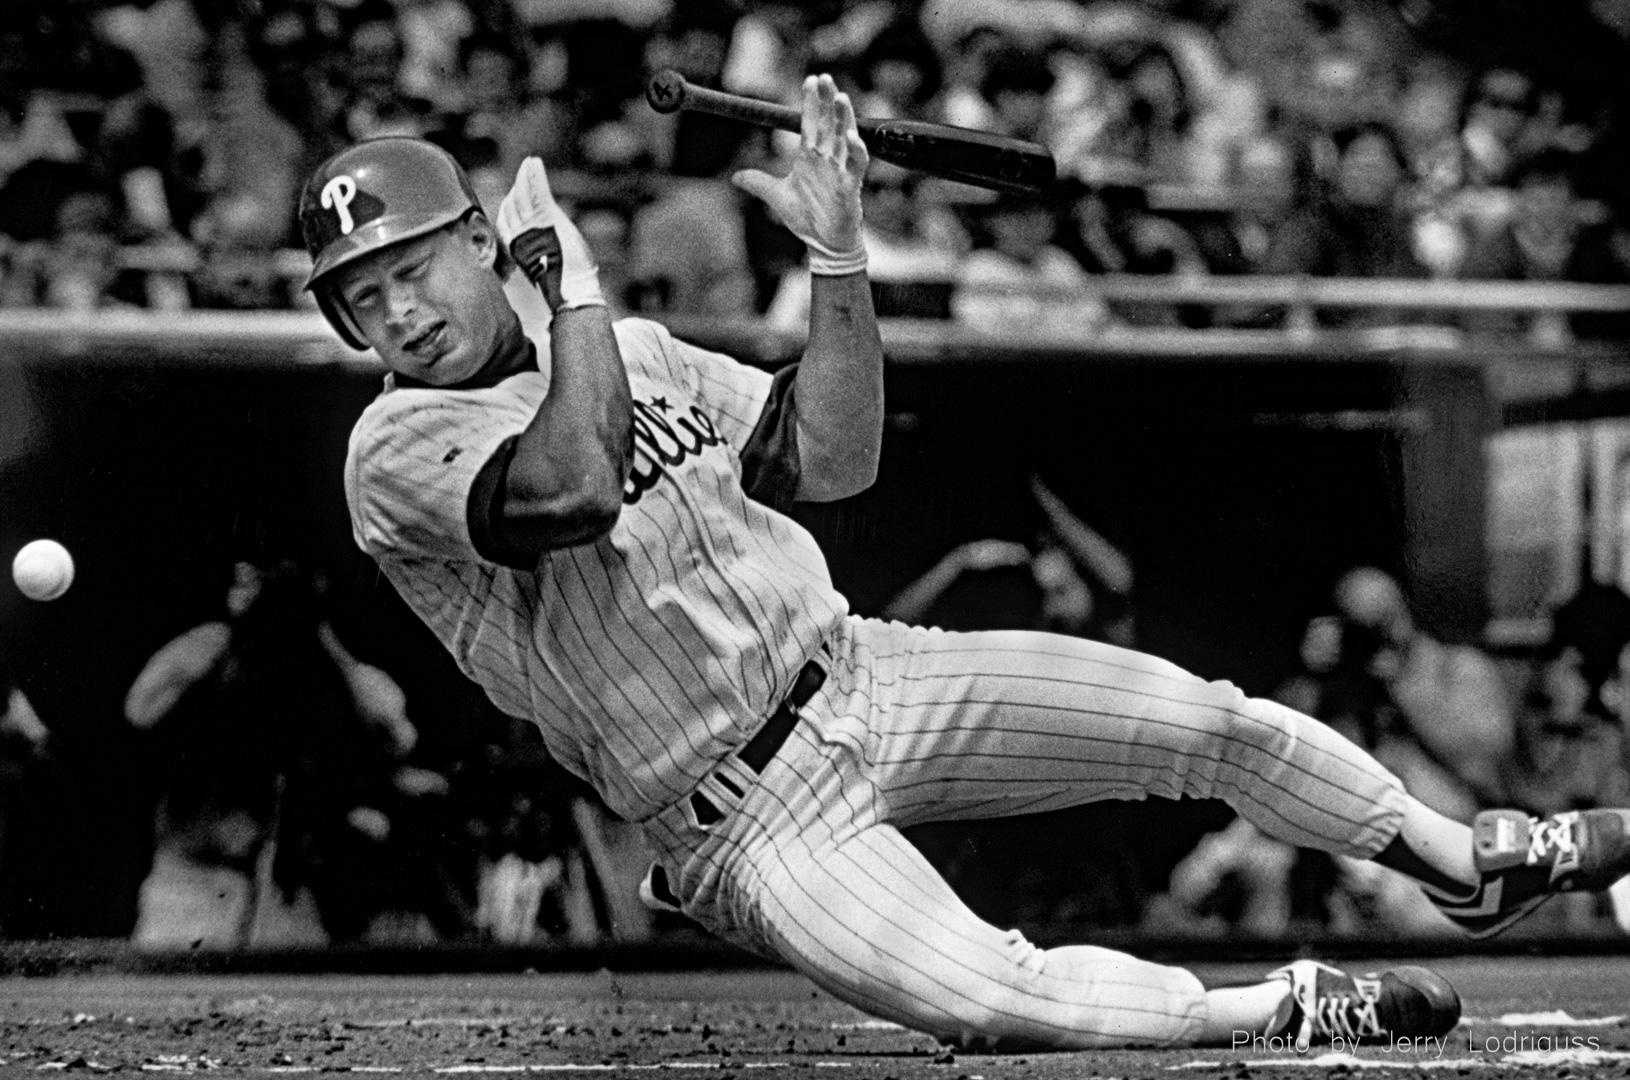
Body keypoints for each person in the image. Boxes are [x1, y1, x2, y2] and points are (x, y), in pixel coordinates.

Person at [298, 76, 1630, 1053]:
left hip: (866, 672)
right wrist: (570, 283)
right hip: (742, 819)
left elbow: (833, 457)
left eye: (411, 266)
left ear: (476, 239)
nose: (397, 311)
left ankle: (1471, 863)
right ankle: (1282, 1005)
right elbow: (573, 486)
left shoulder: (631, 352)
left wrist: (835, 254)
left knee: (1202, 718)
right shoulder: (394, 446)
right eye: (364, 297)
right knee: (989, 996)